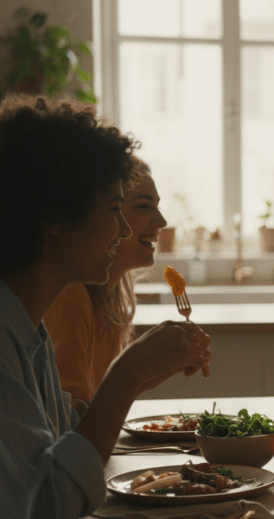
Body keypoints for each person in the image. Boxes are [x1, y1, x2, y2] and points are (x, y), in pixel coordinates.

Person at [0, 95, 212, 519]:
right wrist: (127, 375)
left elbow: (58, 443)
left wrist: (136, 379)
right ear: (55, 217)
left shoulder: (12, 320)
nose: (123, 230)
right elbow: (47, 509)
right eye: (115, 209)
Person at [44, 157, 167, 412]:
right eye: (144, 206)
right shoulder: (72, 296)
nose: (162, 221)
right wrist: (134, 371)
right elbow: (72, 422)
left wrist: (144, 374)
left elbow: (98, 410)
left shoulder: (112, 302)